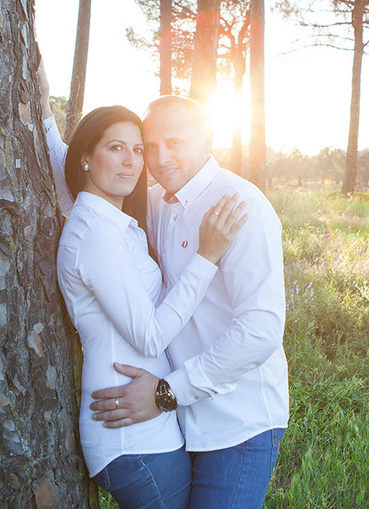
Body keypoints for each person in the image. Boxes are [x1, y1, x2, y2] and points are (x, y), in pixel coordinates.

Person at [87, 96, 289, 508]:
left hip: (238, 422)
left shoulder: (241, 205)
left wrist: (166, 392)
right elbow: (85, 176)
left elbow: (260, 330)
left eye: (175, 143)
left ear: (208, 138)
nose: (160, 158)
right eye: (151, 146)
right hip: (178, 424)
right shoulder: (158, 202)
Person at [48, 99, 248, 509]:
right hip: (131, 436)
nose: (131, 162)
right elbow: (150, 336)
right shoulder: (96, 233)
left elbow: (61, 169)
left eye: (137, 150)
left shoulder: (105, 221)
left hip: (144, 426)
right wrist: (206, 258)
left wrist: (40, 98)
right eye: (115, 148)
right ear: (84, 157)